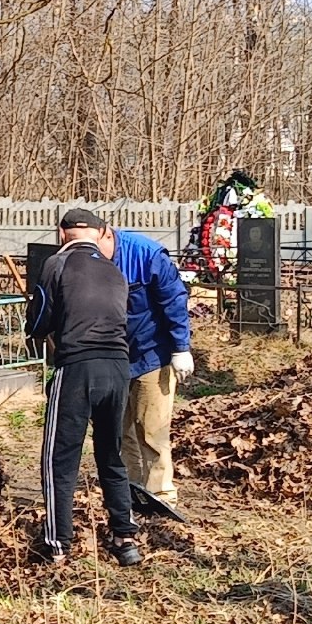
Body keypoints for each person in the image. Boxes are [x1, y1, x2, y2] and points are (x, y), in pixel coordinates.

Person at [27, 207, 140, 566]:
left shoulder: (56, 264)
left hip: (78, 367)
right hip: (119, 368)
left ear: (62, 234)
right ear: (98, 234)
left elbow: (40, 318)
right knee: (110, 453)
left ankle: (58, 544)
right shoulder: (115, 271)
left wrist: (37, 328)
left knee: (59, 458)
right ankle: (124, 537)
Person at [104, 223, 196, 525]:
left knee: (152, 428)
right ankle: (132, 487)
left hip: (152, 354)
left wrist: (181, 347)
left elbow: (173, 299)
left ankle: (162, 493)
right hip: (114, 357)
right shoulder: (83, 256)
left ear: (105, 234)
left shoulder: (146, 255)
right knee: (120, 429)